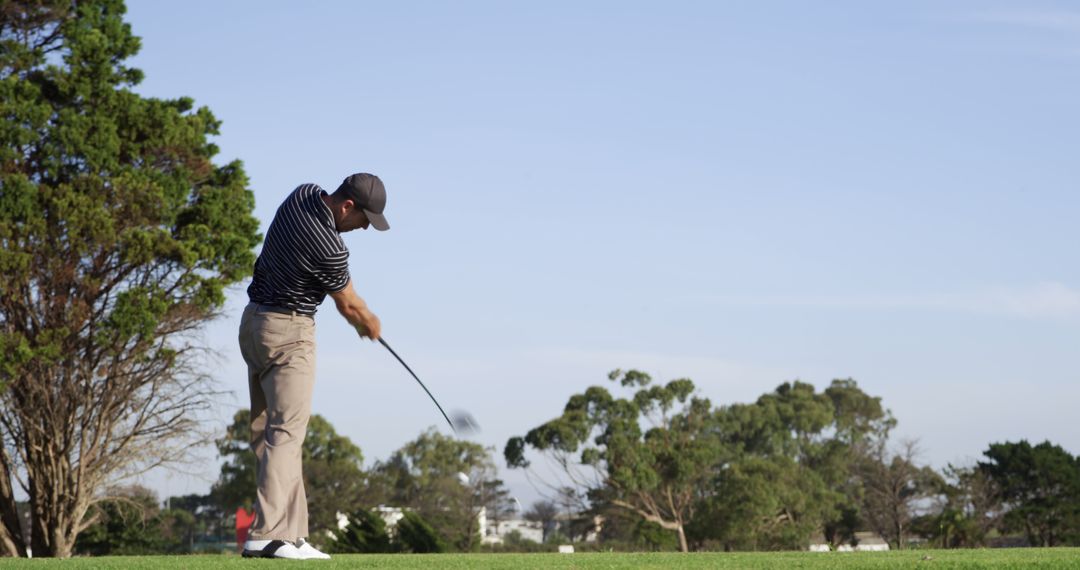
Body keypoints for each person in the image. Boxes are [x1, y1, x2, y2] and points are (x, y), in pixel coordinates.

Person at [237, 173, 387, 559]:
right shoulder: (331, 247)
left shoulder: (300, 194)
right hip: (290, 331)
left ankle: (291, 534)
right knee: (286, 433)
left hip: (254, 324)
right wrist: (368, 323)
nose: (362, 229)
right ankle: (268, 535)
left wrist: (357, 317)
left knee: (270, 434)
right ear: (346, 206)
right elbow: (348, 304)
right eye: (363, 221)